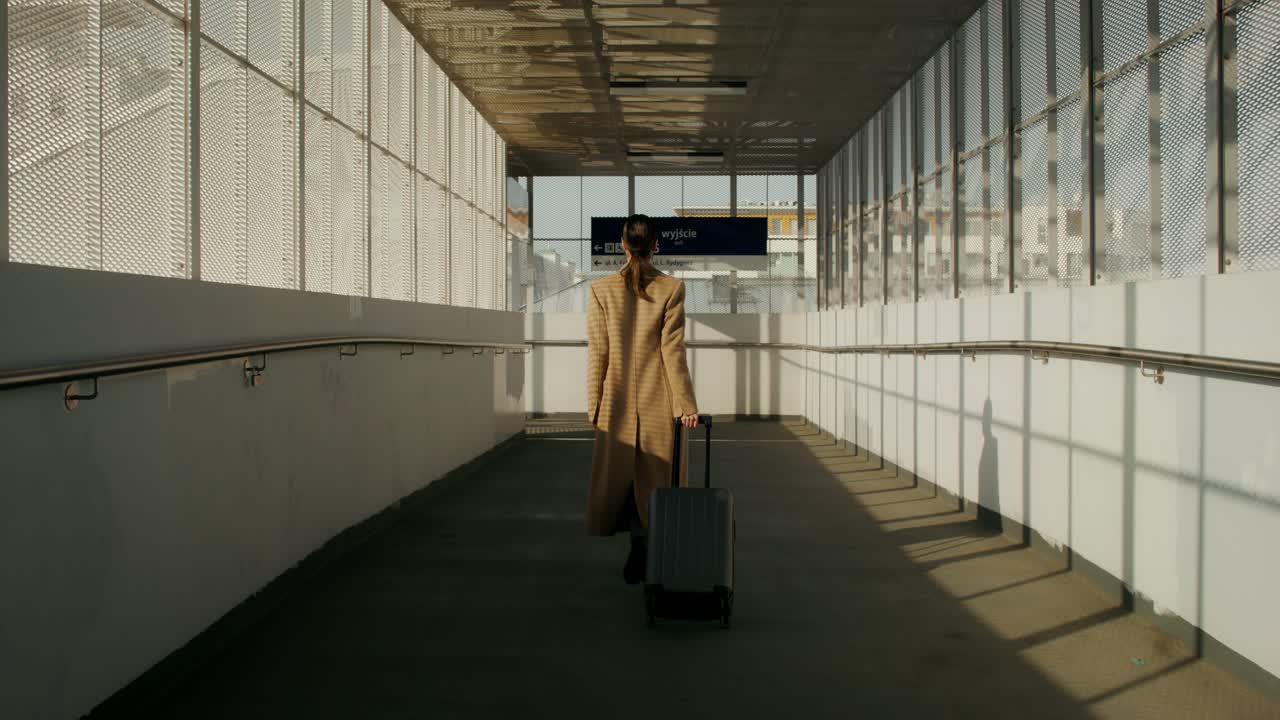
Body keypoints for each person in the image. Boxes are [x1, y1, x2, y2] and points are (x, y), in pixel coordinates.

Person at [585, 214, 699, 585]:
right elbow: (672, 353)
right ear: (656, 246)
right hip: (658, 401)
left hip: (615, 403)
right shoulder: (672, 288)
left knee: (621, 477)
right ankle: (649, 544)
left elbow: (597, 353)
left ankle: (637, 544)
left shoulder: (601, 290)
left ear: (622, 244)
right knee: (656, 479)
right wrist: (686, 406)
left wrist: (594, 406)